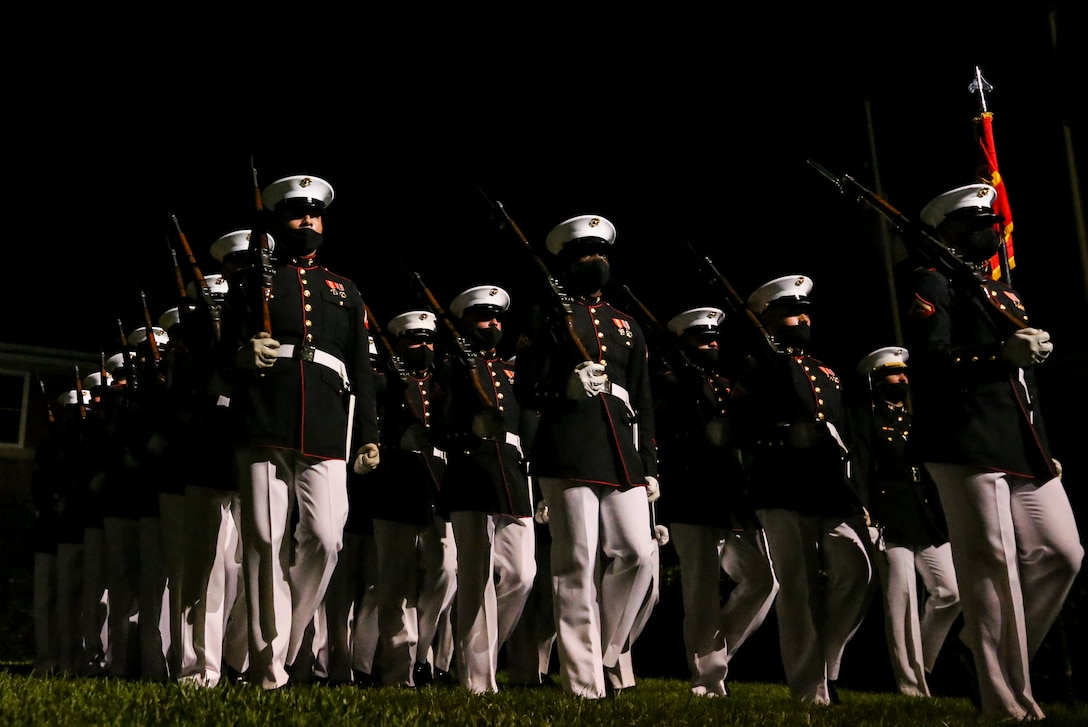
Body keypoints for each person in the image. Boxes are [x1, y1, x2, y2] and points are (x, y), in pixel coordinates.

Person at [903, 183, 1083, 720]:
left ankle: (989, 656)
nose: (988, 228)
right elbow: (930, 361)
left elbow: (1024, 384)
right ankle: (1005, 700)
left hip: (1019, 441)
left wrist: (1042, 445)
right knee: (992, 566)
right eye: (974, 221)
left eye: (990, 218)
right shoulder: (931, 281)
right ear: (946, 232)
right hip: (965, 436)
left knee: (1061, 554)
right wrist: (998, 354)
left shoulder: (997, 290)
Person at [220, 173, 381, 690]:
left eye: (314, 213)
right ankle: (269, 669)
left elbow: (360, 369)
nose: (306, 220)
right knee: (265, 540)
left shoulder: (346, 289)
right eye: (296, 213)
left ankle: (279, 638)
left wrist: (368, 434)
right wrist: (242, 355)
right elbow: (219, 358)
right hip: (265, 415)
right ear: (277, 221)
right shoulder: (251, 283)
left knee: (326, 538)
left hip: (328, 424)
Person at [513, 213, 659, 699]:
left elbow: (641, 398)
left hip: (622, 451)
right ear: (565, 264)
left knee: (637, 554)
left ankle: (603, 652)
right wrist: (564, 388)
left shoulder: (628, 324)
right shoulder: (545, 316)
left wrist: (650, 465)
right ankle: (583, 683)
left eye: (600, 253)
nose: (594, 261)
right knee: (575, 564)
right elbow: (527, 389)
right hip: (569, 446)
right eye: (583, 255)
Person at [729, 274, 874, 706]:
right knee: (798, 586)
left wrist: (859, 497)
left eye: (804, 310)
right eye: (792, 312)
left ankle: (827, 661)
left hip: (828, 486)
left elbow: (846, 435)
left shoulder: (823, 369)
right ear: (769, 319)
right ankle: (809, 689)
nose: (803, 317)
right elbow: (739, 424)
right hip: (781, 482)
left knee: (857, 570)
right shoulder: (756, 365)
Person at [654, 306, 779, 698]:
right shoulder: (670, 381)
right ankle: (707, 678)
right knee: (701, 587)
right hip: (692, 492)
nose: (711, 343)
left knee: (764, 578)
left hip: (731, 495)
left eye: (714, 338)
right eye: (700, 338)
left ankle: (714, 656)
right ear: (682, 344)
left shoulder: (725, 385)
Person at [438, 284, 537, 694]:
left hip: (512, 471)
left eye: (497, 317)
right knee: (476, 573)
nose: (493, 323)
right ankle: (478, 678)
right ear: (464, 322)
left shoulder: (513, 369)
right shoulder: (449, 366)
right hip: (469, 468)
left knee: (521, 574)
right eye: (484, 316)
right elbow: (437, 424)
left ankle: (487, 652)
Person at [849, 345, 960, 697]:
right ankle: (911, 687)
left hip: (920, 515)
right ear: (877, 380)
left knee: (949, 592)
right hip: (887, 515)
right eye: (894, 373)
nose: (902, 378)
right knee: (902, 597)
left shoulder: (910, 421)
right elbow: (860, 466)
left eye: (903, 373)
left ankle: (922, 665)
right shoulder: (865, 418)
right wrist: (863, 511)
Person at [368, 310, 458, 688]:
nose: (424, 347)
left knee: (445, 573)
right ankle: (397, 670)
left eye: (428, 340)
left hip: (437, 488)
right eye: (415, 340)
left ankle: (421, 653)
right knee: (393, 584)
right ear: (400, 344)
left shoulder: (443, 384)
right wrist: (391, 446)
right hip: (395, 485)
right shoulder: (382, 383)